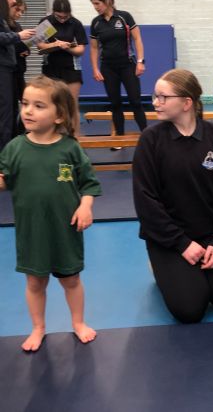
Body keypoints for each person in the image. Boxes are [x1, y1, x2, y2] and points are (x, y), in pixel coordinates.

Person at [132, 69, 213, 323]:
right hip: (169, 240)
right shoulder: (150, 141)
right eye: (155, 96)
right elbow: (145, 200)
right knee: (190, 310)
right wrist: (181, 244)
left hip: (210, 235)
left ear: (186, 103)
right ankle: (161, 265)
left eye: (163, 97)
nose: (155, 102)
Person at [0, 76, 101, 351]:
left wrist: (85, 206)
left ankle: (78, 322)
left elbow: (89, 184)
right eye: (25, 104)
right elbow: (4, 180)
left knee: (71, 279)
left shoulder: (70, 148)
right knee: (35, 282)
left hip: (65, 228)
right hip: (31, 231)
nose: (28, 111)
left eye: (38, 105)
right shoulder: (15, 148)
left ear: (59, 116)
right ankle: (38, 327)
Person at [89, 0, 147, 139]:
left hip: (127, 65)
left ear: (107, 1)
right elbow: (94, 48)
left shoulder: (124, 17)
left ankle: (147, 137)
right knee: (115, 104)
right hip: (108, 68)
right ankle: (119, 139)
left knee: (135, 101)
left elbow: (137, 39)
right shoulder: (96, 23)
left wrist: (140, 61)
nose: (95, 7)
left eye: (97, 3)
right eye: (93, 4)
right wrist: (95, 69)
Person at [37, 0, 88, 135]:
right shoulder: (47, 22)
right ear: (53, 12)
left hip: (71, 68)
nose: (62, 20)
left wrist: (67, 47)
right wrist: (54, 44)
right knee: (51, 103)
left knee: (72, 105)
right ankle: (51, 136)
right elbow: (39, 45)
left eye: (65, 17)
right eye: (59, 16)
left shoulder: (75, 23)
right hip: (51, 67)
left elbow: (80, 49)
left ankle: (75, 138)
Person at [0, 0, 35, 150]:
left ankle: (10, 149)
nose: (14, 0)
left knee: (11, 112)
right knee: (5, 115)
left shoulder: (4, 18)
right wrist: (18, 36)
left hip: (9, 69)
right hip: (3, 68)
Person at [9, 0, 30, 135]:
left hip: (19, 71)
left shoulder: (17, 26)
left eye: (22, 12)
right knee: (10, 106)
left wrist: (26, 50)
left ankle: (22, 131)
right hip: (10, 71)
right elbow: (10, 45)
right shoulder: (5, 25)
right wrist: (19, 49)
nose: (20, 14)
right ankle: (13, 134)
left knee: (24, 101)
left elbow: (23, 44)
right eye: (18, 10)